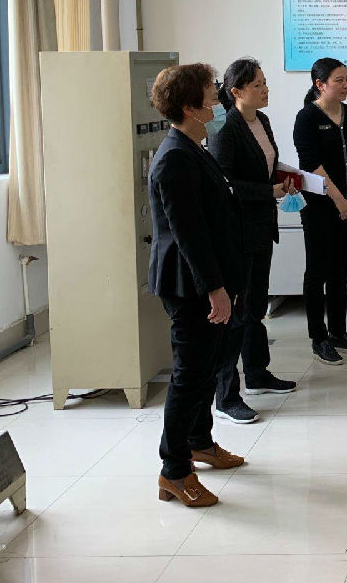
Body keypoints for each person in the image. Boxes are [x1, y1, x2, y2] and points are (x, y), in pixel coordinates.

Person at [147, 63, 246, 508]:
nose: (218, 101)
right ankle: (174, 470)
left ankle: (200, 442)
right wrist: (215, 289)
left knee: (207, 367)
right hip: (191, 286)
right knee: (189, 376)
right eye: (211, 94)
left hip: (209, 280)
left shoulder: (194, 147)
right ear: (190, 106)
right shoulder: (174, 158)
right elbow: (189, 235)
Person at [207, 58, 298, 425]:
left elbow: (266, 165)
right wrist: (268, 191)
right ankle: (226, 396)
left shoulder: (263, 121)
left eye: (264, 82)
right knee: (235, 314)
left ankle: (258, 373)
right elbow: (224, 185)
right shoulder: (223, 128)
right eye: (257, 85)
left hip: (262, 227)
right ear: (236, 92)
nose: (265, 89)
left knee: (257, 305)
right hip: (237, 231)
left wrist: (288, 180)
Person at [293, 57, 347, 366]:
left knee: (340, 271)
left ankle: (339, 332)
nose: (346, 85)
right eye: (339, 80)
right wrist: (339, 201)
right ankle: (319, 338)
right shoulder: (307, 117)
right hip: (320, 207)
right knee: (317, 272)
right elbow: (311, 163)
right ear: (320, 84)